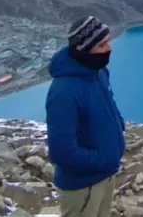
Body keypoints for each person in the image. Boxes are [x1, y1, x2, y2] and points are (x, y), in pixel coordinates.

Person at [46, 16, 126, 217]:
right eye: (101, 44)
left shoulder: (97, 72)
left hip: (105, 175)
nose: (109, 48)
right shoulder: (64, 92)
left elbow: (109, 102)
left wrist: (119, 125)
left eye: (108, 41)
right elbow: (61, 151)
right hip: (82, 186)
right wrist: (103, 159)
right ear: (84, 48)